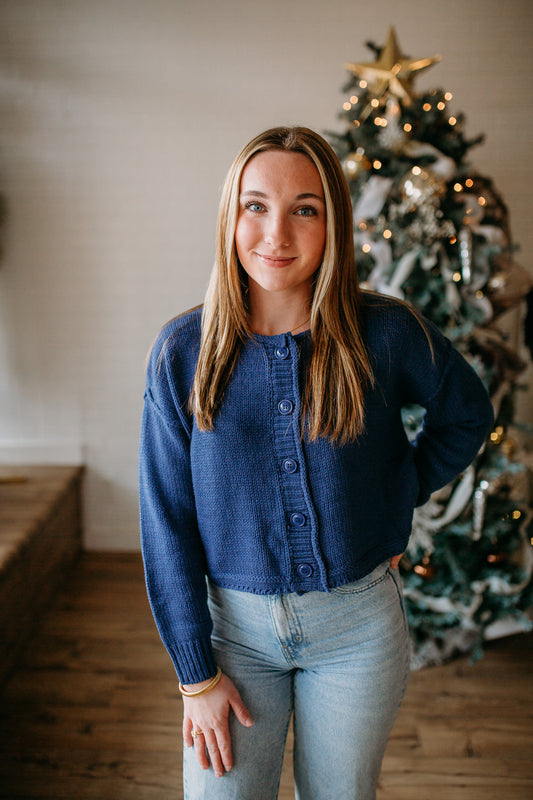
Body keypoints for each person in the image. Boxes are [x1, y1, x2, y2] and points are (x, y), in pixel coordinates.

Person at [139, 126, 494, 800]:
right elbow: (165, 521)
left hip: (359, 633)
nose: (276, 233)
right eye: (255, 206)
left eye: (304, 208)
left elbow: (467, 415)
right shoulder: (181, 351)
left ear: (333, 221)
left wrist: (394, 498)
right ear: (229, 216)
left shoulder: (385, 332)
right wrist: (195, 677)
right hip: (232, 642)